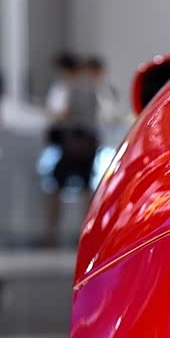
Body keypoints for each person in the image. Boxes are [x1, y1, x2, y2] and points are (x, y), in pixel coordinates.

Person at [44, 54, 99, 246]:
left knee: (56, 185)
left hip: (72, 140)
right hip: (89, 140)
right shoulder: (91, 87)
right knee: (86, 187)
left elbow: (66, 113)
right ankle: (88, 233)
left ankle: (51, 234)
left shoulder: (70, 87)